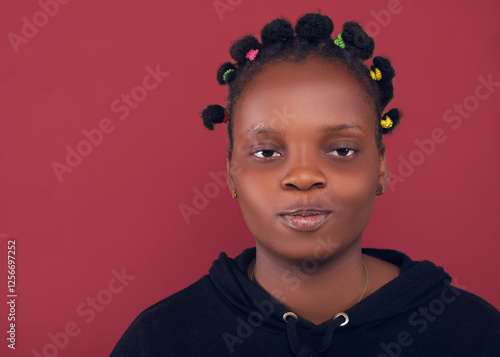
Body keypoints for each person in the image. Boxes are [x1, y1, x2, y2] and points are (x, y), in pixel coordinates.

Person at [109, 11, 500, 357]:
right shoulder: (160, 340)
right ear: (231, 173)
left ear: (380, 168)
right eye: (266, 153)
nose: (303, 177)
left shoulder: (476, 334)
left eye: (342, 150)